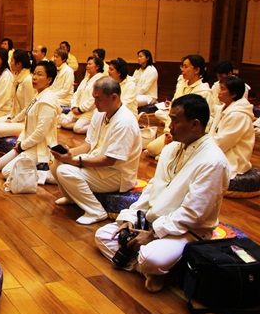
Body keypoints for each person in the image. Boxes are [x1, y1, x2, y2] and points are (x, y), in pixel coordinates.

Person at [95, 94, 230, 293]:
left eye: (175, 121)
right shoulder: (171, 149)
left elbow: (193, 214)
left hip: (188, 231)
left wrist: (153, 234)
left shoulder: (213, 162)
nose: (169, 126)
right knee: (103, 235)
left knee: (152, 258)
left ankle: (150, 265)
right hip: (154, 222)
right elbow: (152, 189)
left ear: (194, 124)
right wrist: (131, 218)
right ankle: (150, 270)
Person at [50, 77, 141, 225]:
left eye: (98, 99)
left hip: (117, 174)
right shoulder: (100, 113)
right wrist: (67, 153)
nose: (95, 103)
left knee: (65, 171)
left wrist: (74, 161)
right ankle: (72, 198)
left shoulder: (125, 122)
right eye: (94, 98)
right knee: (56, 163)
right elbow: (88, 145)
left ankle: (96, 211)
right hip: (98, 165)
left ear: (114, 97)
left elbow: (109, 160)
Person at [0, 61, 61, 179]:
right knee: (0, 164)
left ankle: (47, 175)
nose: (34, 77)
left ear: (49, 80)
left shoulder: (47, 101)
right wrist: (20, 141)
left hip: (39, 148)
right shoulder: (37, 95)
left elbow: (40, 133)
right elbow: (27, 124)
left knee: (6, 172)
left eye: (39, 74)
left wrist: (22, 146)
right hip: (28, 143)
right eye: (34, 73)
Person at [147, 54, 213, 158]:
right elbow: (172, 111)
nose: (182, 70)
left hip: (189, 134)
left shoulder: (204, 91)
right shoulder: (181, 86)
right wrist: (169, 132)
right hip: (174, 130)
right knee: (151, 148)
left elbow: (205, 120)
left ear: (196, 70)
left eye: (186, 67)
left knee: (166, 155)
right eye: (182, 66)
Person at [0, 50, 35, 138]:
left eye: (12, 61)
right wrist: (10, 118)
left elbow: (29, 107)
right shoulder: (17, 77)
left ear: (19, 64)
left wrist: (14, 120)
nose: (10, 63)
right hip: (13, 115)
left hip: (25, 121)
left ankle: (20, 134)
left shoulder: (27, 80)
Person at [209, 76, 255, 179]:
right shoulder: (224, 108)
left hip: (234, 158)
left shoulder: (238, 114)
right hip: (220, 150)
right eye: (219, 88)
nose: (219, 92)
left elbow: (223, 142)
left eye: (223, 89)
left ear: (234, 94)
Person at [58, 56, 104, 134]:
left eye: (90, 64)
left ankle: (98, 127)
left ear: (97, 67)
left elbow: (93, 99)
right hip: (77, 110)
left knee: (77, 129)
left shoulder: (100, 80)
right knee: (63, 123)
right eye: (87, 64)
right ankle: (78, 122)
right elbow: (76, 94)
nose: (87, 66)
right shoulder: (86, 79)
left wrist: (80, 109)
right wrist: (74, 106)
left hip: (88, 112)